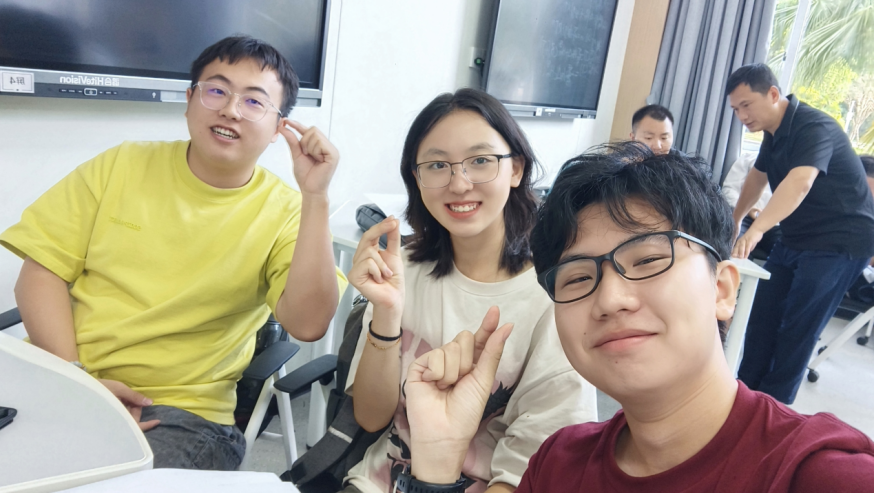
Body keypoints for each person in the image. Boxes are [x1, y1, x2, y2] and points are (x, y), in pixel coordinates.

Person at [396, 142, 874, 493]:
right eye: (577, 278)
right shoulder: (558, 465)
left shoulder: (818, 475)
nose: (610, 299)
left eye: (647, 260)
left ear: (722, 289)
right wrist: (438, 460)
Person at [0, 36, 347, 470]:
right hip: (63, 377)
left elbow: (309, 323)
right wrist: (80, 383)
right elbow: (41, 274)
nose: (231, 110)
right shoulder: (121, 164)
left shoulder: (289, 212)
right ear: (189, 100)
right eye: (216, 90)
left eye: (254, 101)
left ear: (280, 127)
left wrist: (316, 198)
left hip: (183, 415)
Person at [342, 88, 597, 493]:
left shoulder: (554, 296)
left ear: (516, 169)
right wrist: (387, 315)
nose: (459, 184)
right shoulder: (402, 270)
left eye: (480, 161)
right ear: (417, 178)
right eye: (437, 165)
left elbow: (532, 471)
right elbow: (371, 419)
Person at [727, 63, 874, 404]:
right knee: (762, 319)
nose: (742, 116)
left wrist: (757, 230)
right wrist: (735, 220)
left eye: (746, 105)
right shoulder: (773, 132)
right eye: (735, 109)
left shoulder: (813, 126)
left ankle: (774, 412)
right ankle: (745, 399)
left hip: (840, 243)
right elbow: (758, 176)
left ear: (773, 94)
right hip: (796, 238)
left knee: (796, 329)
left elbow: (800, 182)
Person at [722, 152, 782, 255]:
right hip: (744, 217)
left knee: (784, 251)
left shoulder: (795, 167)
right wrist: (748, 209)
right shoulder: (748, 158)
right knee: (733, 243)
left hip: (776, 224)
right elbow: (729, 190)